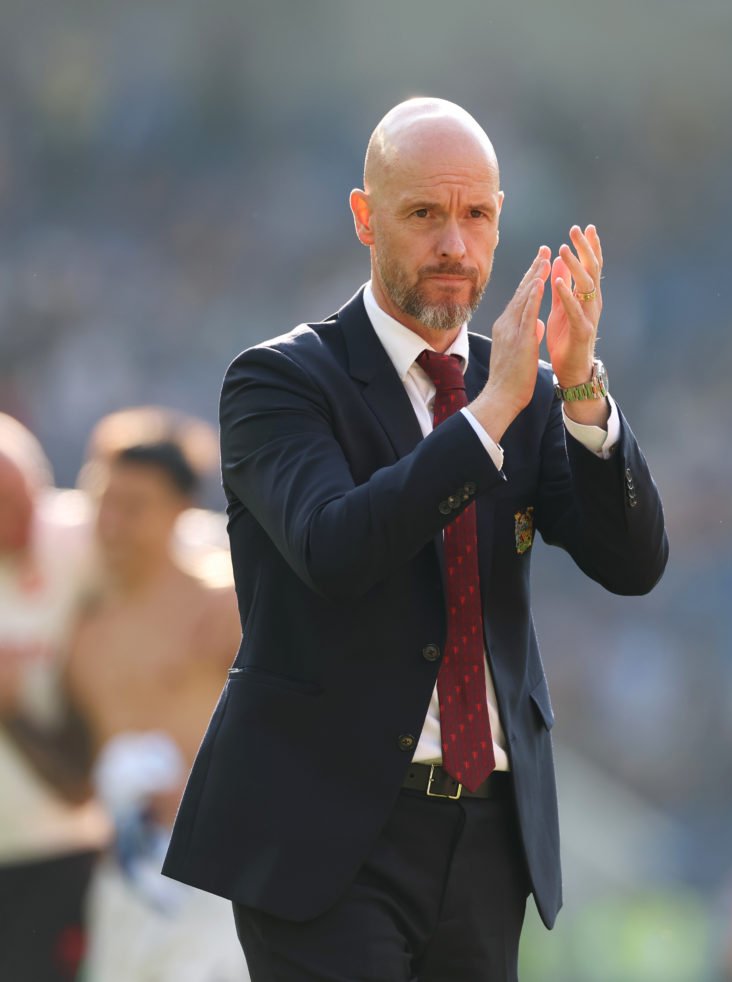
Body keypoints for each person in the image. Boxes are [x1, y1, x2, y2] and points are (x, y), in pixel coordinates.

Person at [162, 97, 669, 981]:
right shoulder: (280, 382)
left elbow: (632, 565)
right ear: (365, 218)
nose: (454, 245)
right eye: (424, 214)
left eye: (475, 215)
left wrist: (582, 389)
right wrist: (489, 415)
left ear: (501, 220)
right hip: (323, 834)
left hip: (485, 832)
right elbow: (334, 548)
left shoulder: (530, 390)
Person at [2, 407, 247, 981]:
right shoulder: (84, 636)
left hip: (216, 878)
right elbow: (76, 782)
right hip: (124, 889)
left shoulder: (225, 609)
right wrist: (12, 712)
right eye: (103, 503)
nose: (112, 523)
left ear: (180, 510)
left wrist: (201, 791)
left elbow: (298, 736)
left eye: (134, 507)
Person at [0, 414, 109, 982]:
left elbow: (190, 552)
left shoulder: (78, 536)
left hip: (61, 846)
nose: (23, 520)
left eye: (27, 498)